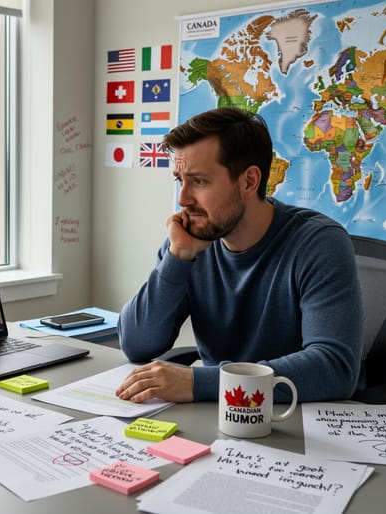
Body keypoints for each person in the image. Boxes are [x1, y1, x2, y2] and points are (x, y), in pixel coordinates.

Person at [115, 106, 363, 405]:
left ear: (248, 181)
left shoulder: (318, 243)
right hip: (219, 415)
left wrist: (198, 382)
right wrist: (177, 259)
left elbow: (333, 369)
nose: (183, 198)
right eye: (180, 180)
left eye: (200, 181)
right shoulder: (192, 239)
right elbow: (136, 345)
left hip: (294, 422)